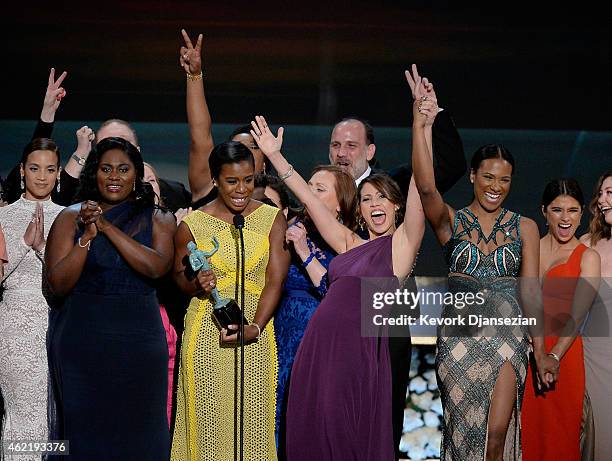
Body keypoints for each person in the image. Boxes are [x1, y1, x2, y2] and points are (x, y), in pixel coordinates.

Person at [249, 103, 427, 460]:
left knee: (344, 433)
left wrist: (420, 125)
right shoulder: (349, 243)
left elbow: (423, 184)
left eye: (382, 198)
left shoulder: (402, 248)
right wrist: (276, 157)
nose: (374, 204)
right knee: (313, 429)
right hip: (318, 349)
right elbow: (310, 199)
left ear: (398, 207)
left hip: (356, 357)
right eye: (366, 198)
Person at [409, 65, 560, 460]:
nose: (496, 187)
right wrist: (421, 124)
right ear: (473, 175)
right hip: (459, 339)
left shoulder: (525, 226)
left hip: (509, 336)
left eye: (505, 180)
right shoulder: (451, 222)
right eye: (489, 177)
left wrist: (541, 351)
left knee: (496, 434)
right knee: (463, 435)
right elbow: (426, 186)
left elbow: (531, 292)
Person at [45, 137, 176, 460]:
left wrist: (106, 227)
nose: (114, 176)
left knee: (140, 436)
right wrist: (86, 239)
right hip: (83, 343)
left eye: (123, 169)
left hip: (139, 344)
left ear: (136, 175)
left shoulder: (158, 217)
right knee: (85, 436)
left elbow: (157, 266)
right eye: (106, 169)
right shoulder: (69, 217)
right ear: (95, 173)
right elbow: (56, 287)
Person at [171, 141, 290, 460]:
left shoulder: (271, 218)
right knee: (208, 429)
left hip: (256, 335)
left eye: (248, 180)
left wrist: (257, 327)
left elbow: (274, 280)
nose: (242, 189)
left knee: (253, 428)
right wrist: (196, 282)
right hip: (207, 337)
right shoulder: (192, 225)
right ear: (214, 180)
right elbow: (179, 279)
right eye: (232, 181)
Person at [274, 164, 357, 450]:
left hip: (321, 346)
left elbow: (337, 296)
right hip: (280, 341)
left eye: (319, 189)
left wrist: (305, 254)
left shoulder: (351, 245)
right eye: (307, 186)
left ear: (340, 204)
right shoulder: (290, 230)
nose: (308, 193)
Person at [520, 179, 600, 460]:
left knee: (560, 440)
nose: (565, 218)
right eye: (557, 210)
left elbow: (578, 315)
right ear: (544, 211)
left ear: (582, 214)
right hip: (524, 355)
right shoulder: (527, 249)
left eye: (573, 210)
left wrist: (553, 355)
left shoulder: (587, 257)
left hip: (564, 355)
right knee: (526, 437)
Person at [0, 138, 64, 449]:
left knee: (56, 414)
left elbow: (70, 278)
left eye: (49, 169)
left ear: (59, 173)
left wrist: (41, 249)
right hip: (14, 326)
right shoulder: (2, 217)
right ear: (23, 171)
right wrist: (22, 244)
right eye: (35, 169)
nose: (42, 177)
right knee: (22, 412)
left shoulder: (69, 218)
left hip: (58, 322)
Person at [579, 170, 612, 460]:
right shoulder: (586, 244)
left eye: (610, 193)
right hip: (593, 358)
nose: (602, 199)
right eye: (600, 193)